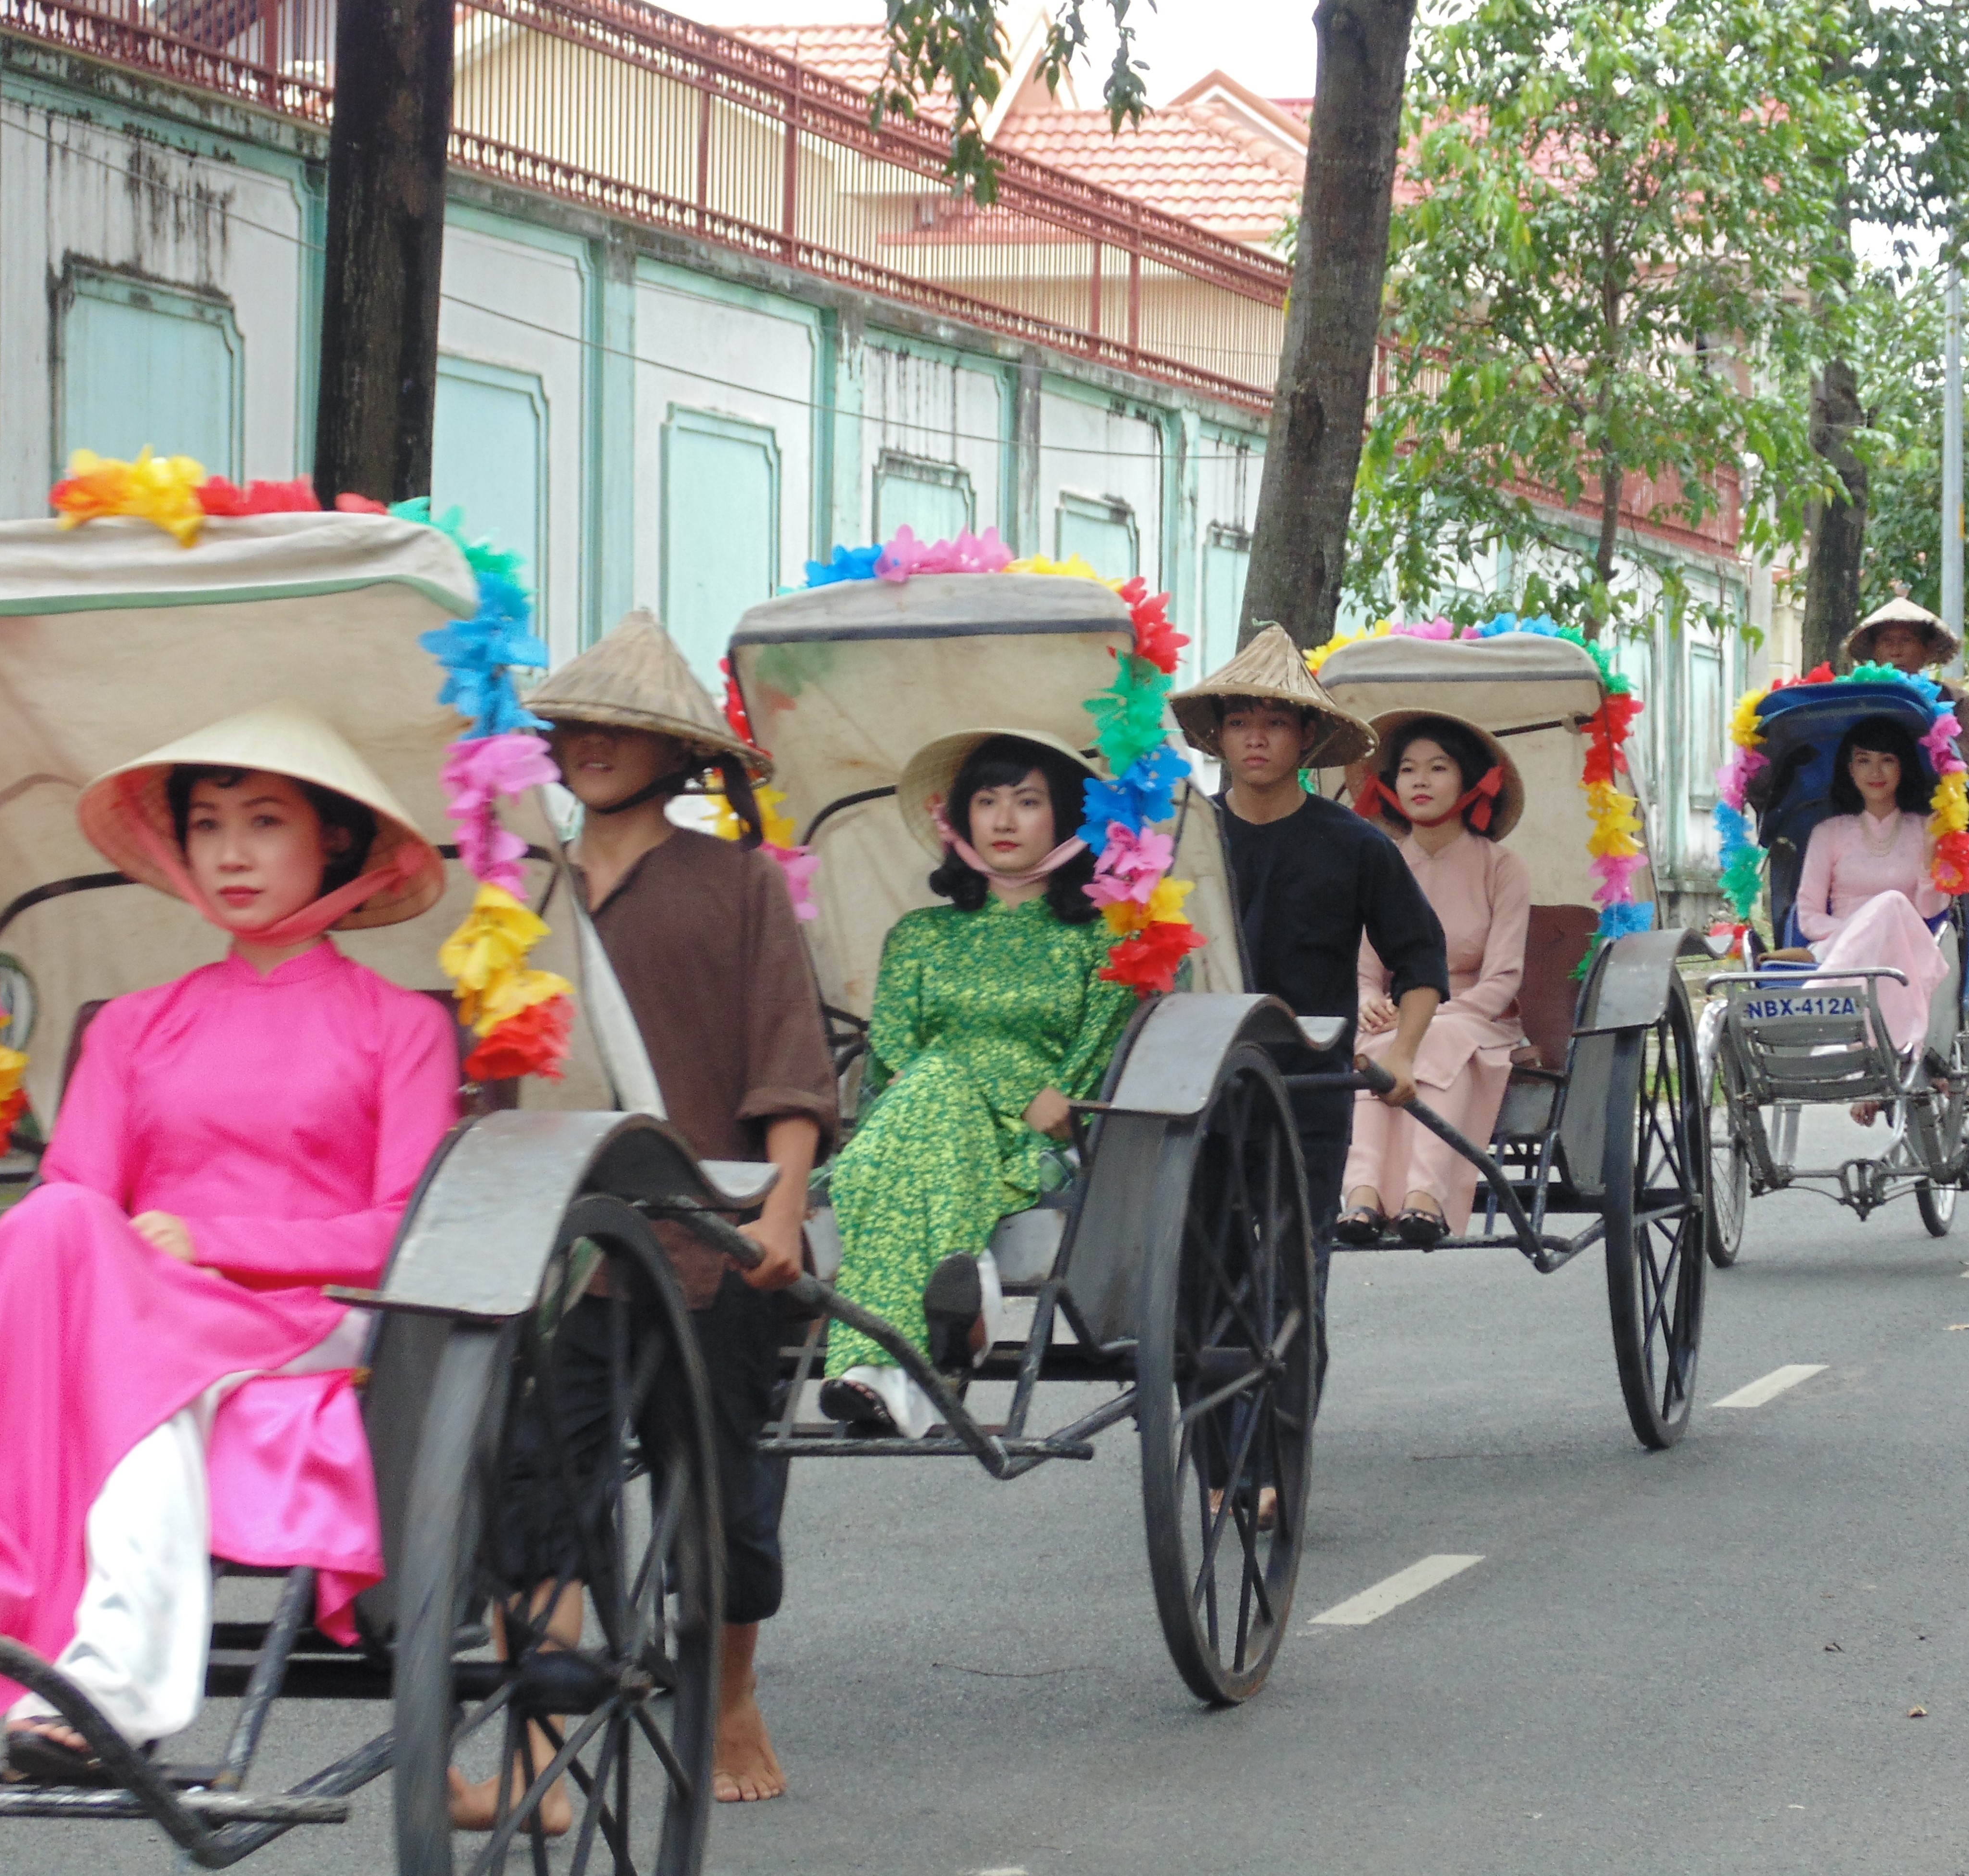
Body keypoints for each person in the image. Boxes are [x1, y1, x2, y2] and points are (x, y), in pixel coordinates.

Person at [0, 704, 458, 1783]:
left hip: (314, 1313)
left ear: (337, 843)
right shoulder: (133, 1026)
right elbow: (74, 1202)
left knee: (122, 1340)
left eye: (265, 821)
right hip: (141, 1309)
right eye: (208, 825)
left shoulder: (403, 1027)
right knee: (70, 1238)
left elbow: (406, 1233)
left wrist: (208, 1236)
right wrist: (150, 1260)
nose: (232, 852)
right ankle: (81, 1675)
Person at [500, 610, 835, 1810]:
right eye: (577, 726)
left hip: (712, 1235)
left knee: (724, 1490)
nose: (593, 744)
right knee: (533, 1474)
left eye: (622, 728)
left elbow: (787, 1062)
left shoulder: (735, 881)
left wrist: (784, 1206)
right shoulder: (518, 884)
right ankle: (540, 1730)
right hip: (555, 1243)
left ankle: (732, 1692)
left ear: (679, 755)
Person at [817, 731, 1138, 1440]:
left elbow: (1076, 1086)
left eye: (1026, 802)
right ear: (959, 819)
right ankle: (945, 1320)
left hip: (1037, 1146)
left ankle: (878, 1368)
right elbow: (895, 1057)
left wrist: (1011, 1094)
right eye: (986, 802)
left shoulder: (1106, 940)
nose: (1002, 820)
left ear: (1065, 819)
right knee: (929, 1089)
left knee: (925, 1100)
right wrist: (1009, 1082)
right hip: (921, 1124)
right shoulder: (918, 937)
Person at [1167, 629, 1450, 1247]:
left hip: (1312, 1086)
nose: (1256, 737)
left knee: (1294, 1273)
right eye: (1239, 722)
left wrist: (1401, 1053)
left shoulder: (1356, 845)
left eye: (1274, 721)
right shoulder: (1185, 839)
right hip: (1203, 1085)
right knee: (1202, 1277)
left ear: (1307, 736)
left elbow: (1420, 956)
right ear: (1219, 736)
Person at [1335, 712, 1531, 1247]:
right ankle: (1363, 1194)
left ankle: (1427, 1195)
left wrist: (1431, 1015)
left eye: (1438, 768)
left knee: (1434, 1037)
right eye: (1407, 769)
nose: (1420, 781)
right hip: (1397, 1020)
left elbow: (1504, 977)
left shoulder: (1502, 867)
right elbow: (1365, 965)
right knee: (1369, 1046)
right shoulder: (1383, 862)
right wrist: (1370, 997)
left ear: (1468, 782)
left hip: (1480, 1020)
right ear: (1391, 785)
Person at [1774, 715, 1952, 1113]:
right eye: (1863, 760)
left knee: (1892, 905)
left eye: (1887, 760)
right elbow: (1808, 919)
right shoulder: (1829, 832)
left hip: (1909, 948)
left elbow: (1929, 911)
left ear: (1903, 767)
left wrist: (1929, 853)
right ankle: (1873, 1058)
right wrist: (1862, 934)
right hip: (1837, 950)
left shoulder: (1926, 827)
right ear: (1849, 769)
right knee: (1884, 909)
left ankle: (1841, 1037)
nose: (1875, 772)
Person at [1845, 595, 1969, 781]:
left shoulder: (1956, 699)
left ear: (1927, 649)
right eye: (1887, 641)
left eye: (1907, 640)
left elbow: (1967, 763)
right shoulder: (1853, 696)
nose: (1896, 650)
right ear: (1874, 651)